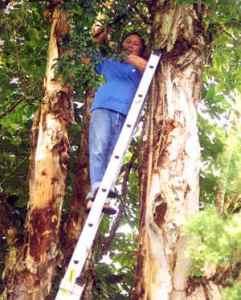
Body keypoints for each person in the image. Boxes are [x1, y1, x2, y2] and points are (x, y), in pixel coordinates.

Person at [86, 25, 147, 214]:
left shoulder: (143, 65)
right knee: (99, 147)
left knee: (115, 153)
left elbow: (146, 67)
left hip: (127, 112)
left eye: (135, 44)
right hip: (104, 106)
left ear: (141, 49)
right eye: (128, 42)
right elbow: (87, 58)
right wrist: (98, 39)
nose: (130, 45)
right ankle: (97, 186)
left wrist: (118, 50)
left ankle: (99, 196)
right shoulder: (110, 62)